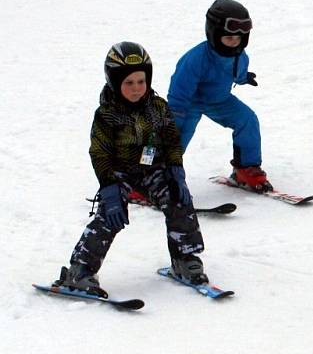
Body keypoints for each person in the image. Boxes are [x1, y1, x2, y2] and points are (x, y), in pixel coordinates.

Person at [55, 42, 208, 298]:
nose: (136, 88)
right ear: (114, 82)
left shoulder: (157, 107)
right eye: (129, 83)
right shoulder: (107, 114)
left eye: (141, 81)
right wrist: (109, 187)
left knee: (178, 198)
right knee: (110, 215)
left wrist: (176, 171)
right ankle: (80, 269)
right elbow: (99, 152)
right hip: (119, 173)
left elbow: (171, 140)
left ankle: (184, 257)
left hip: (152, 170)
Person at [167, 0, 272, 192]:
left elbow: (236, 72)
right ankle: (156, 178)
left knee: (247, 120)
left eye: (239, 38)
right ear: (214, 34)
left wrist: (244, 78)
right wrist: (177, 111)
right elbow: (180, 85)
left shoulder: (240, 56)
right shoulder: (196, 58)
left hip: (219, 100)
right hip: (189, 103)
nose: (234, 43)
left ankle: (246, 168)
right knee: (175, 137)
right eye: (229, 37)